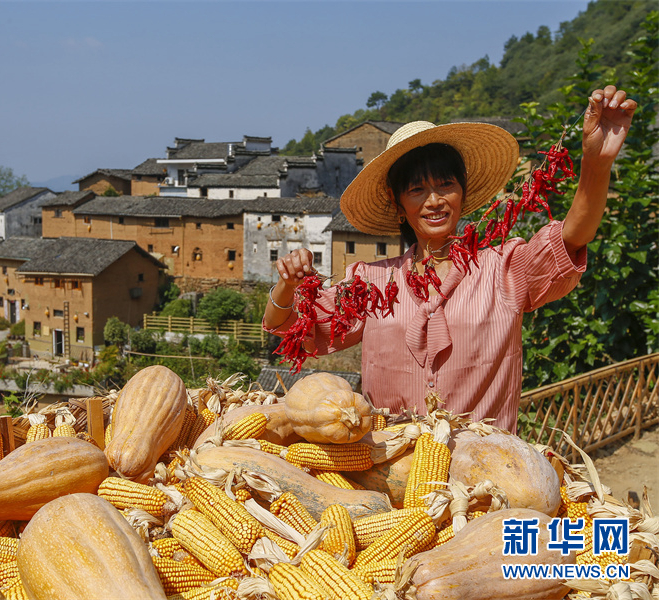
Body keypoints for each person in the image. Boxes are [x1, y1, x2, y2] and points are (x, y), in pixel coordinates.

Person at [264, 85, 637, 432]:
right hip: (390, 469)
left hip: (485, 469)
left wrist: (596, 163)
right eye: (416, 189)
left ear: (462, 192)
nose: (434, 200)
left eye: (446, 185)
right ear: (398, 204)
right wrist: (287, 284)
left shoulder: (504, 268)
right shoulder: (369, 284)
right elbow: (291, 327)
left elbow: (572, 236)